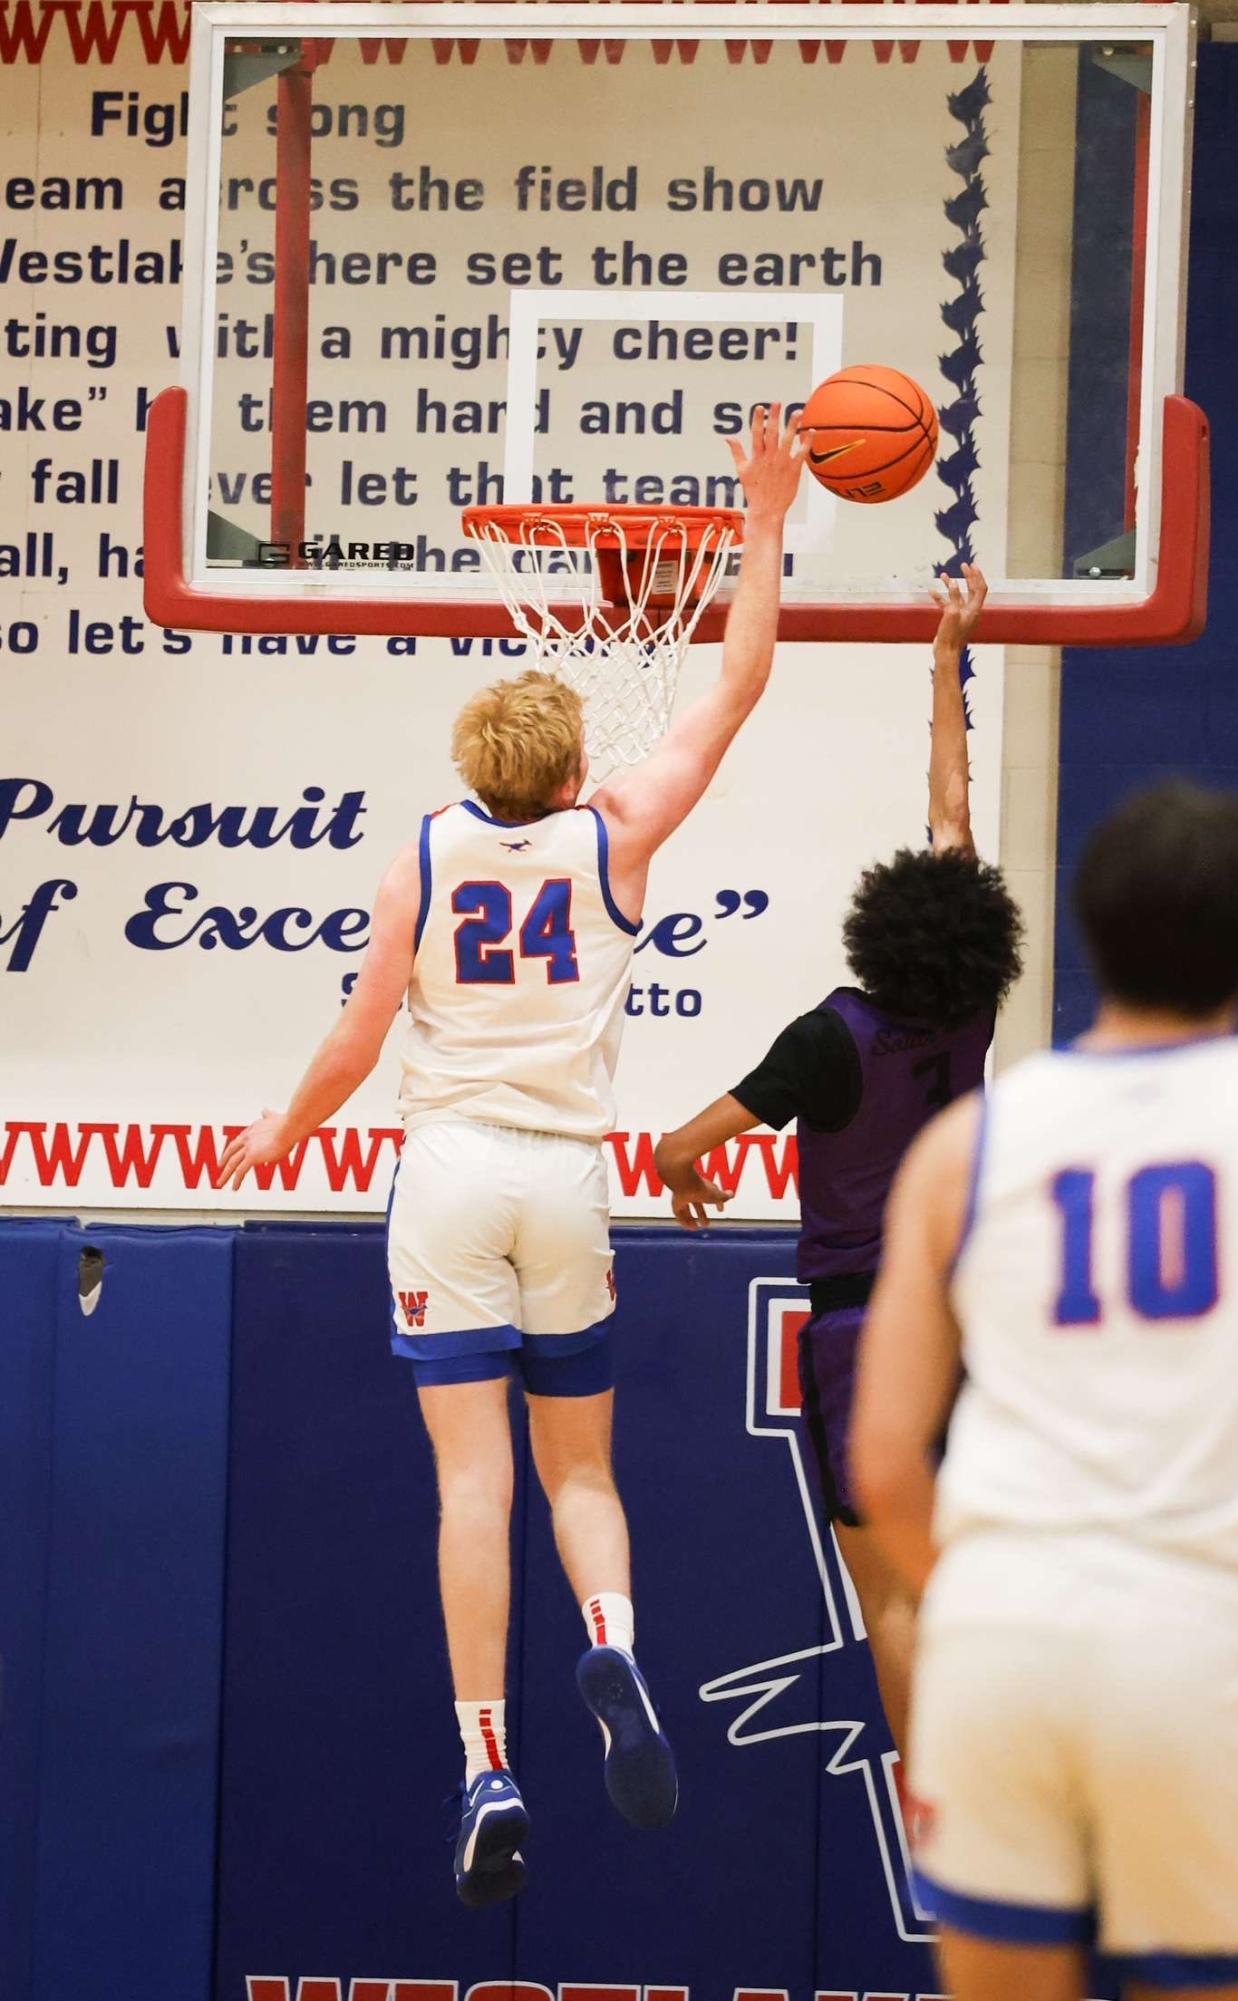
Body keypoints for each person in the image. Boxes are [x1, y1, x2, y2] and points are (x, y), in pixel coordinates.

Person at [217, 406, 809, 1907]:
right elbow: (735, 688)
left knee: (467, 1488)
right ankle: (611, 1643)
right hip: (565, 1180)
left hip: (447, 1174)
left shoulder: (419, 854)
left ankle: (488, 1757)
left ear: (477, 762)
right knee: (582, 1469)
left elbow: (356, 1043)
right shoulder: (618, 833)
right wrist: (760, 515)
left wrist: (285, 1127)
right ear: (570, 762)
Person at [852, 780, 1238, 2001]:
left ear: (1084, 938)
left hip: (998, 1641)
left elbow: (881, 1461)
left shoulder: (962, 1148)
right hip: (1198, 1645)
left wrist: (992, 1604)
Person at [654, 567, 1023, 1752]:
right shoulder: (972, 1010)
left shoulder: (828, 1038)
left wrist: (678, 1170)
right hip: (981, 1321)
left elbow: (681, 1141)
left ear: (873, 922)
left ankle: (942, 1820)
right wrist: (943, 655)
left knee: (893, 1598)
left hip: (869, 1330)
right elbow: (953, 814)